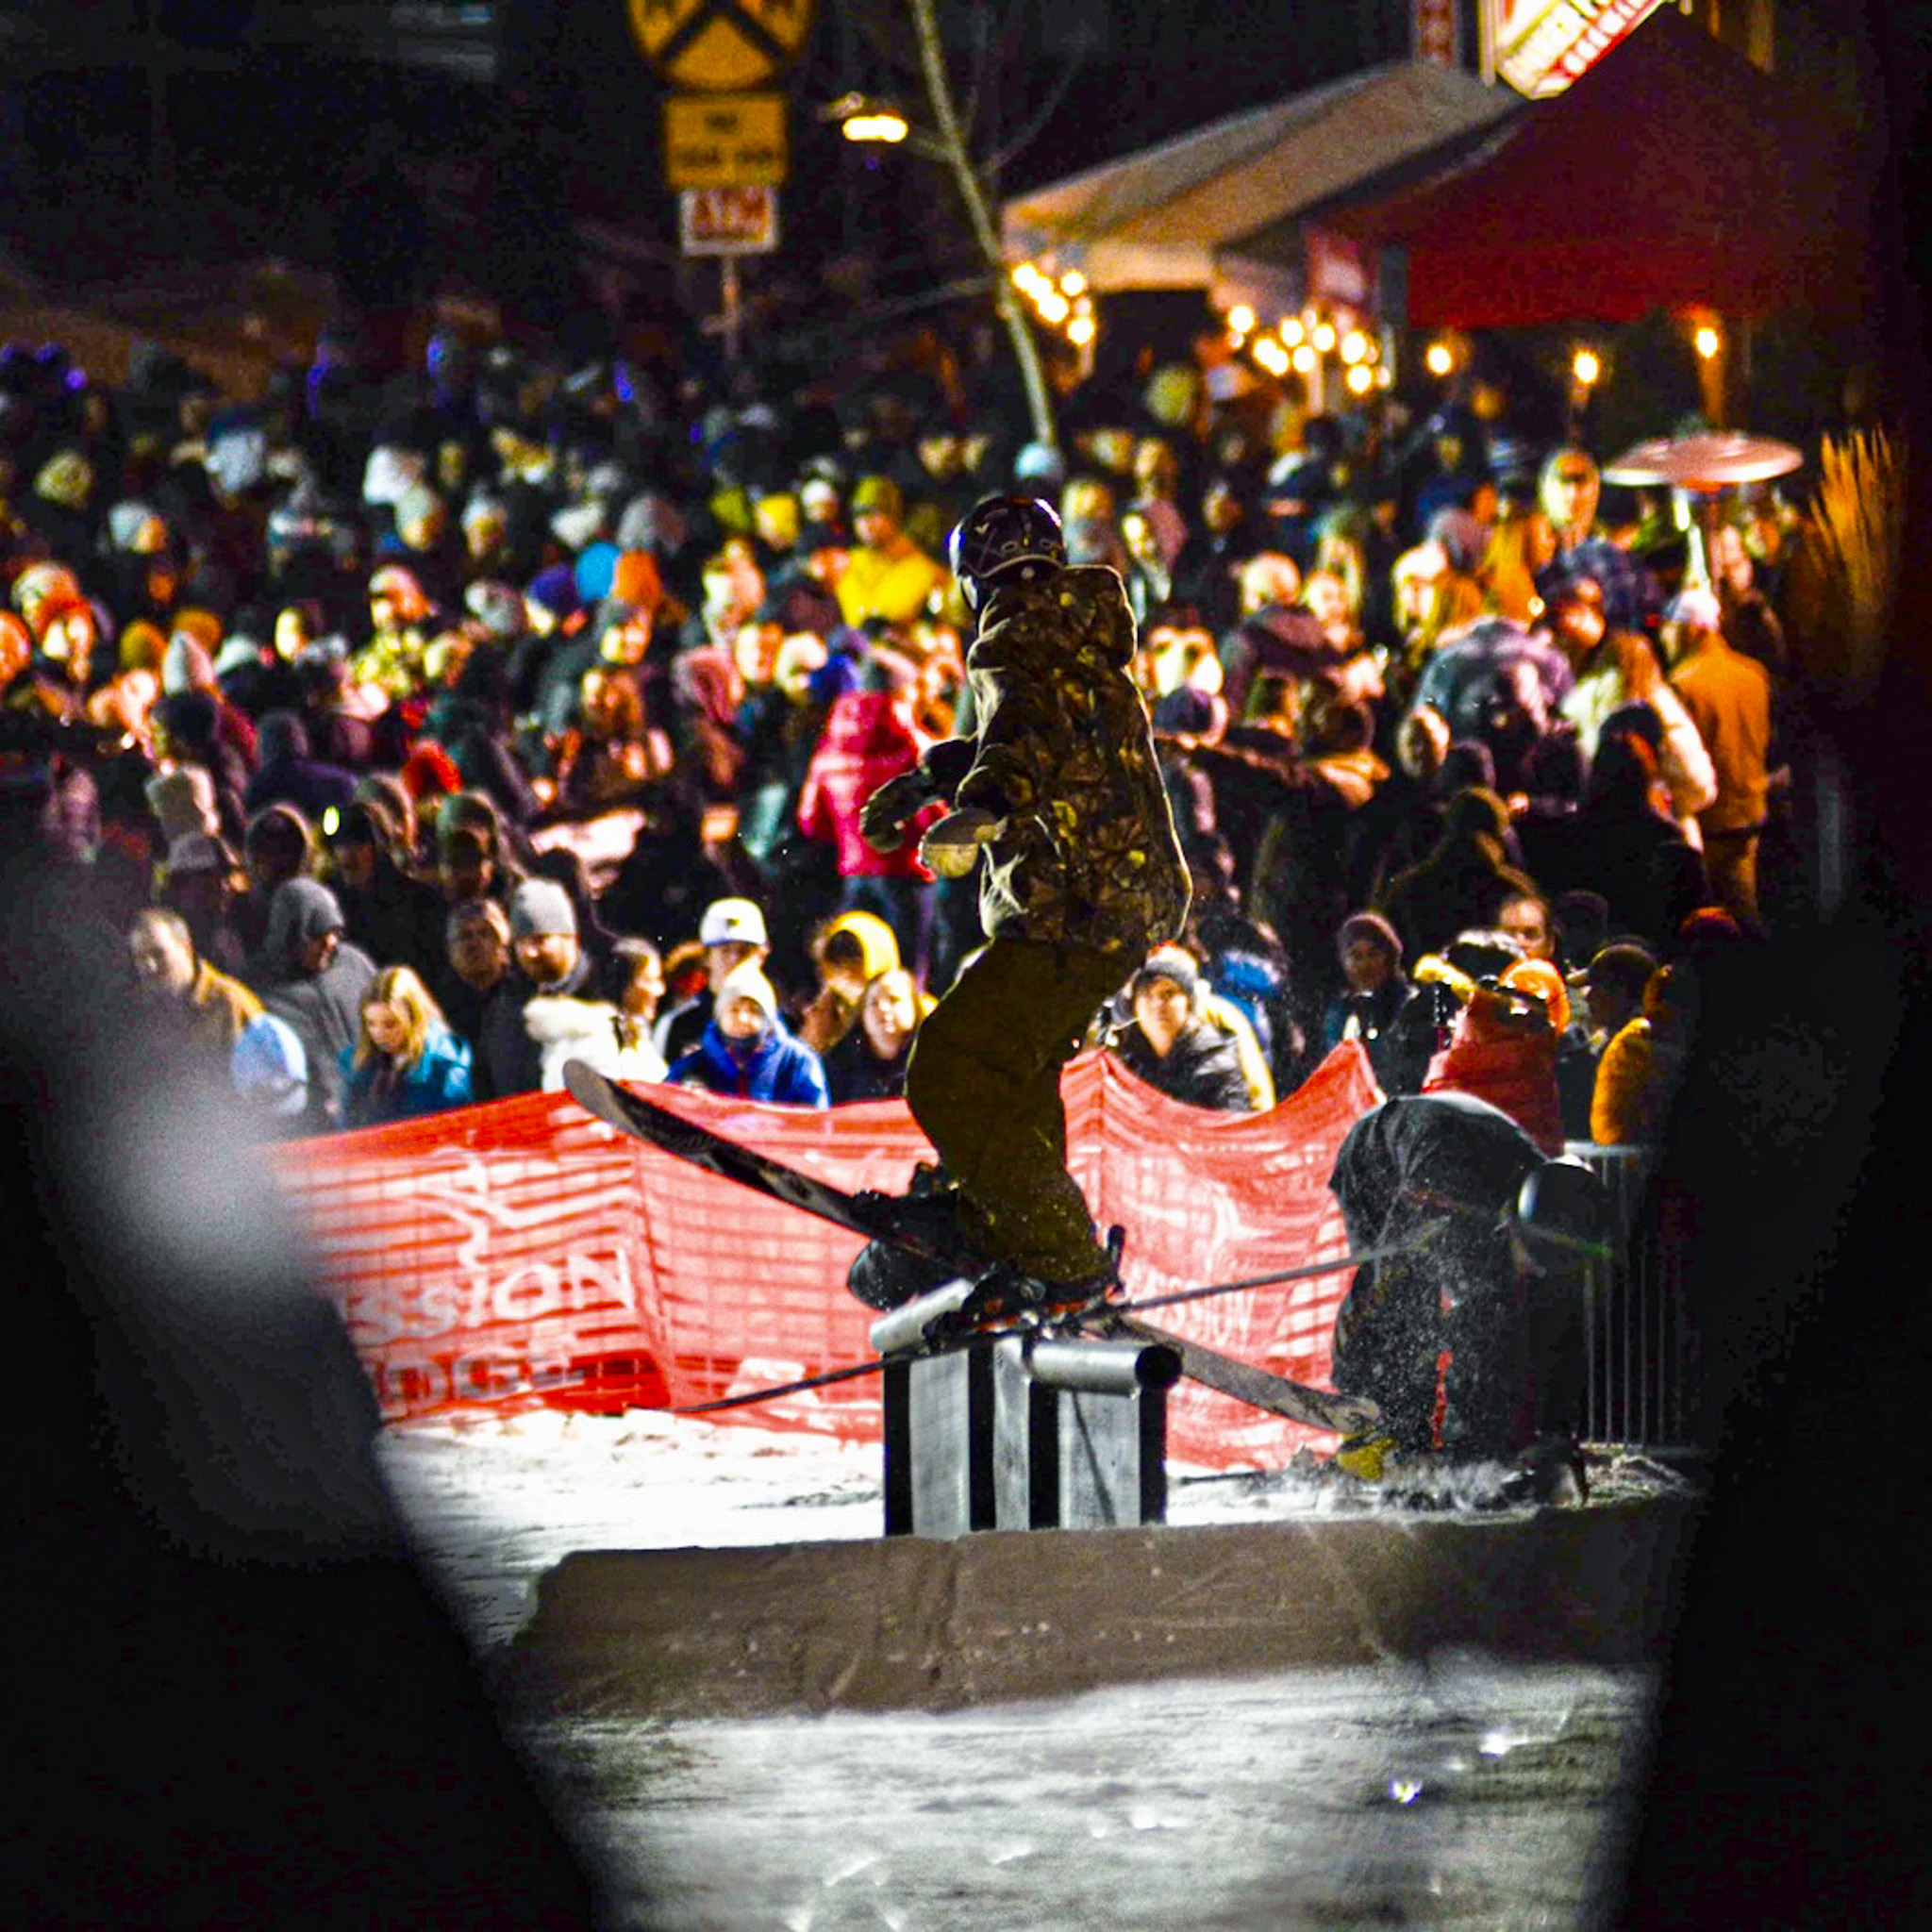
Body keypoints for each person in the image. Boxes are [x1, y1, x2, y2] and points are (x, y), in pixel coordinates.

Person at [851, 494, 1191, 1307]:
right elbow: (1047, 730)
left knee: (947, 1066)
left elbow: (1022, 732)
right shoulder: (1071, 633)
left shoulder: (1012, 635)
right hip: (1118, 897)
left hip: (1073, 904)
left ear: (972, 577)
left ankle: (1058, 1250)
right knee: (1013, 1069)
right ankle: (1015, 1229)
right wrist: (937, 779)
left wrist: (984, 806)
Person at [1326, 1091, 1602, 1469]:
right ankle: (1377, 1427)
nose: (1529, 1272)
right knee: (1408, 1301)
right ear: (1512, 1224)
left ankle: (1458, 1441)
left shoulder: (1554, 1210)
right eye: (1529, 1259)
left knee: (1490, 1309)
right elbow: (1378, 1292)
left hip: (1461, 1158)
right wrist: (1360, 1392)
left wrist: (1550, 1431)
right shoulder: (1443, 1195)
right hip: (1376, 1161)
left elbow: (1540, 1334)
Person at [1663, 584, 1774, 929]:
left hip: (1714, 819)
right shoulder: (1754, 674)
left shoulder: (1683, 682)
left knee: (1726, 913)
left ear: (1693, 629)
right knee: (1745, 898)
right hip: (1752, 809)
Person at [250, 876, 378, 1128]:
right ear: (290, 934)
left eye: (334, 932)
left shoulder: (353, 966)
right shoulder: (259, 988)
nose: (330, 943)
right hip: (310, 1129)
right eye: (317, 935)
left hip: (375, 1113)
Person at [1108, 946, 1255, 1112]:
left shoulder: (1214, 1064)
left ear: (1188, 1003)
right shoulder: (1132, 1061)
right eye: (1146, 995)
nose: (1157, 1005)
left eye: (1168, 994)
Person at [665, 958, 829, 1106]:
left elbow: (816, 1120)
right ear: (719, 1017)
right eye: (734, 1010)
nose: (743, 1019)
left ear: (770, 1020)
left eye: (753, 1010)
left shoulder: (796, 1062)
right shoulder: (694, 1066)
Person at [128, 905, 264, 1070]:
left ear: (186, 948)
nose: (149, 966)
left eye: (159, 954)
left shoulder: (231, 1002)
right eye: (140, 958)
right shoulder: (136, 1009)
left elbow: (265, 1079)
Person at [339, 965, 474, 1128]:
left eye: (390, 1024)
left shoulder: (443, 1066)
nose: (379, 1034)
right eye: (371, 1024)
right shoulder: (359, 1065)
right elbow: (347, 1125)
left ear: (414, 1018)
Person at [824, 965, 928, 1104]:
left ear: (914, 1007)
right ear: (862, 1015)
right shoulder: (839, 1062)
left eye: (894, 999)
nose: (883, 1009)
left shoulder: (934, 1059)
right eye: (873, 1003)